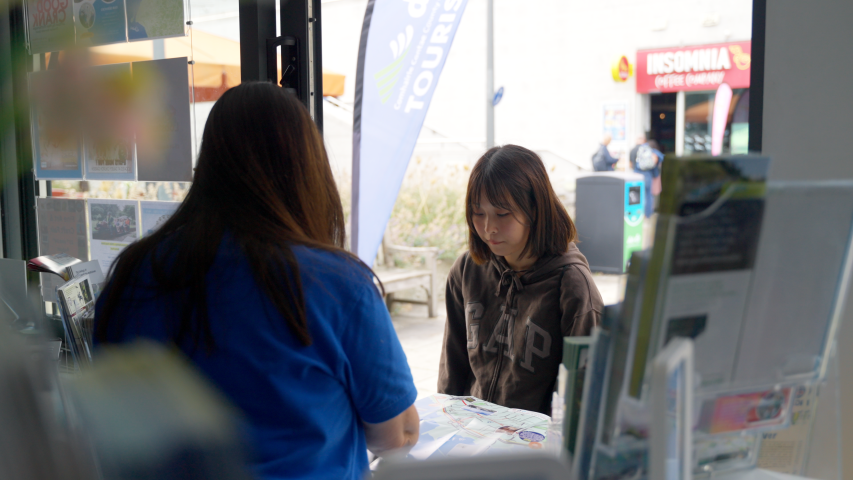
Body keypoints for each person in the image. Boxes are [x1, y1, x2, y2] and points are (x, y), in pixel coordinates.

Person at [93, 82, 419, 480]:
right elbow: (397, 435)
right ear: (307, 170)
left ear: (208, 163)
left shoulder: (135, 275)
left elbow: (115, 425)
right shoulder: (337, 284)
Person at [438, 145, 604, 415]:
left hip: (538, 438)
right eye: (478, 213)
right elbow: (452, 367)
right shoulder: (467, 269)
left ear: (535, 210)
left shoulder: (573, 287)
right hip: (472, 431)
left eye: (502, 214)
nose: (489, 228)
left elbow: (584, 395)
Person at [629, 134, 662, 218]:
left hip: (636, 175)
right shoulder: (649, 150)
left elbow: (630, 164)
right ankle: (647, 214)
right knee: (648, 195)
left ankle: (637, 214)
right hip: (647, 175)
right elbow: (658, 159)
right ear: (644, 140)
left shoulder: (633, 150)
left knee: (636, 196)